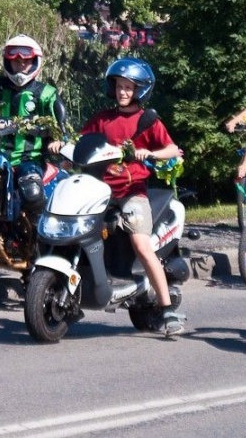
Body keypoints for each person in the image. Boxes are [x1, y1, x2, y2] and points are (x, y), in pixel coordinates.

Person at [80, 58, 186, 338]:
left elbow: (172, 149)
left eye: (128, 87)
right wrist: (63, 149)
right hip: (100, 191)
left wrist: (150, 153)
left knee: (141, 244)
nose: (122, 92)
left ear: (140, 90)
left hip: (132, 192)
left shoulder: (147, 120)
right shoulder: (102, 119)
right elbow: (81, 143)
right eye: (118, 86)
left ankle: (167, 309)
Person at [0, 34, 68, 220]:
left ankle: (39, 230)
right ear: (7, 62)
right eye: (16, 62)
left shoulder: (46, 94)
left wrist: (57, 141)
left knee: (32, 190)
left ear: (35, 62)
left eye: (26, 61)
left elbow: (61, 127)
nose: (21, 66)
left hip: (30, 159)